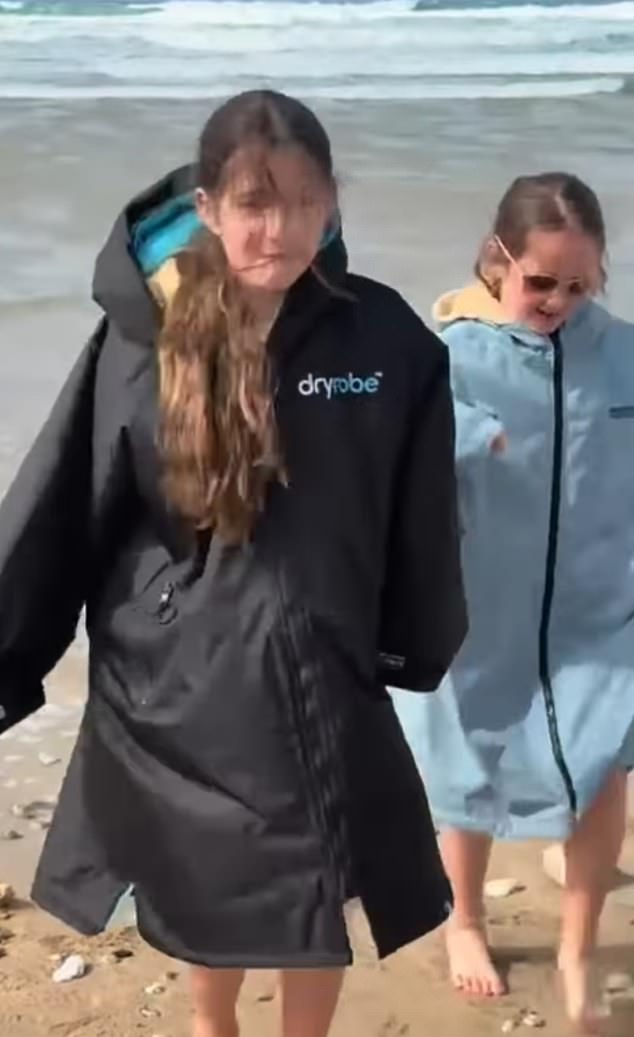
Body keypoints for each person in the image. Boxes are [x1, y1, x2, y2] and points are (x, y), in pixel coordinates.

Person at [0, 90, 466, 1037]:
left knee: (325, 883)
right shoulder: (144, 335)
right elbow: (65, 502)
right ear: (209, 206)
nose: (279, 229)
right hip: (179, 674)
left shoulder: (385, 339)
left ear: (332, 203)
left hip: (326, 660)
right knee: (205, 882)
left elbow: (424, 517)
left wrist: (412, 647)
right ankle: (214, 1028)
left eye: (303, 202)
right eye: (255, 203)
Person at [392, 172, 634, 1034]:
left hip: (601, 604)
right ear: (498, 260)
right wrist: (464, 432)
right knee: (469, 763)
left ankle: (578, 946)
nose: (558, 302)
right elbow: (385, 444)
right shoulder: (451, 356)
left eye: (580, 284)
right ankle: (464, 917)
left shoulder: (622, 353)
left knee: (605, 766)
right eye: (540, 282)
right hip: (482, 604)